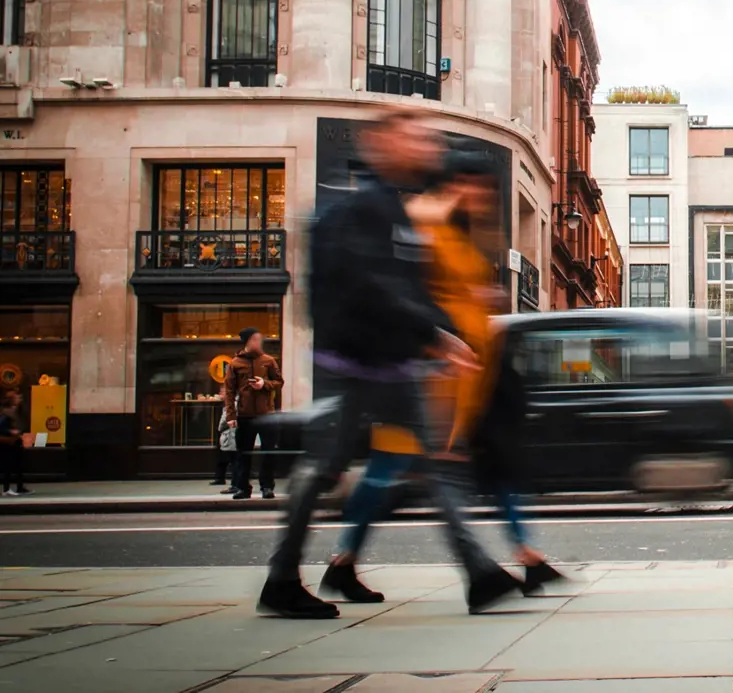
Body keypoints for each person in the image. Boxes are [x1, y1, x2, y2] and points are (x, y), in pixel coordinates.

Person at [257, 107, 522, 620]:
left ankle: (480, 574)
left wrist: (443, 332)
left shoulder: (396, 209)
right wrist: (437, 335)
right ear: (381, 143)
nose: (428, 148)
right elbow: (371, 285)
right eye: (415, 138)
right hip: (357, 364)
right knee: (325, 471)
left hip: (395, 364)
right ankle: (283, 576)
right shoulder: (366, 208)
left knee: (436, 468)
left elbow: (412, 288)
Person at [322, 150, 563, 601]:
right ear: (455, 183)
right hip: (428, 374)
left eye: (488, 190)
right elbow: (409, 294)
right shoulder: (426, 223)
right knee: (397, 470)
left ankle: (346, 563)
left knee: (408, 470)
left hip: (466, 376)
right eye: (475, 186)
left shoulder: (462, 233)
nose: (483, 196)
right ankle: (484, 571)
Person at [225, 328, 284, 500]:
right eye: (256, 339)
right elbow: (229, 392)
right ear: (248, 342)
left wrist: (264, 384)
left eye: (260, 339)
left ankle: (267, 487)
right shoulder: (235, 364)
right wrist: (230, 416)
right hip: (245, 415)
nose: (259, 342)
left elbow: (279, 382)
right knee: (244, 453)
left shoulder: (269, 361)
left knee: (268, 452)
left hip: (267, 414)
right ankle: (243, 488)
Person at [0, 389, 24, 496]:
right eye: (17, 397)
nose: (19, 398)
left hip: (12, 442)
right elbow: (1, 426)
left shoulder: (14, 410)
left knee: (14, 465)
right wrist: (11, 431)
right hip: (8, 443)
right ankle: (6, 489)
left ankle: (16, 487)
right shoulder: (7, 412)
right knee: (8, 466)